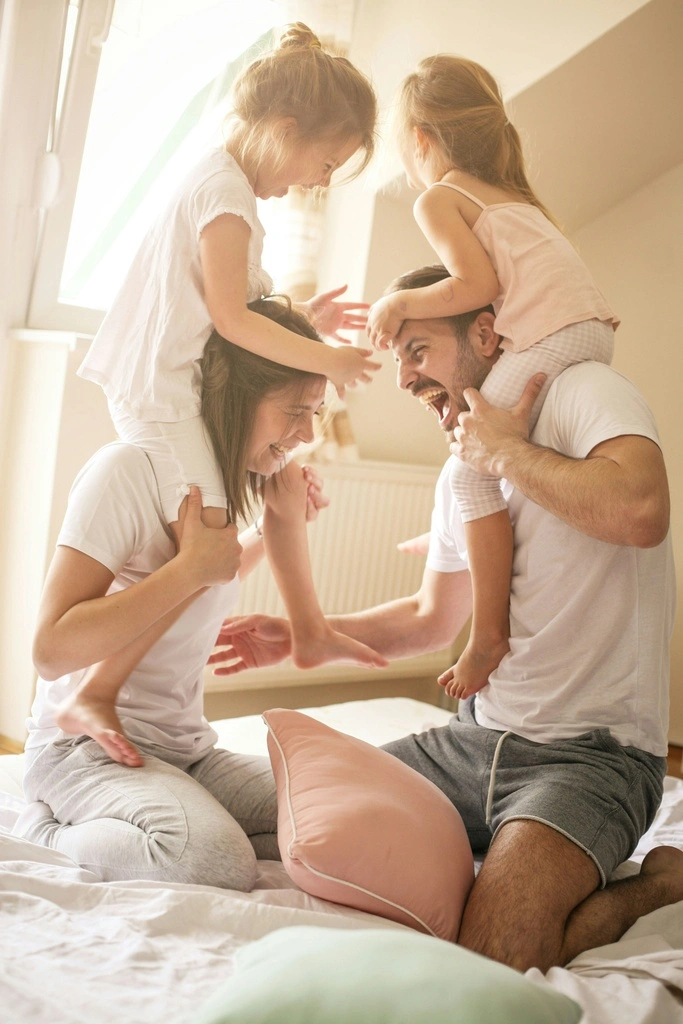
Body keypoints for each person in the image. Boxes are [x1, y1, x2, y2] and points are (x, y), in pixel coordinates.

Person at [216, 266, 682, 971]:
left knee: (498, 952)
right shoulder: (460, 472)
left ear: (485, 334)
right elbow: (432, 620)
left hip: (589, 758)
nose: (403, 378)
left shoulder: (585, 392)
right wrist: (299, 637)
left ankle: (657, 886)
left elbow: (642, 512)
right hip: (468, 748)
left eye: (417, 350)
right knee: (266, 824)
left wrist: (505, 453)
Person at [60, 23, 383, 758]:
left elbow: (235, 300)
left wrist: (308, 319)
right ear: (284, 129)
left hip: (178, 384)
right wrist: (326, 357)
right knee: (202, 548)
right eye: (324, 161)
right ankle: (95, 692)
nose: (321, 180)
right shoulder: (226, 194)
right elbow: (233, 320)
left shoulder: (224, 186)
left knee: (286, 477)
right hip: (162, 393)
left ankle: (307, 627)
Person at [14, 297, 384, 886]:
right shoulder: (126, 472)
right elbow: (52, 649)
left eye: (314, 412)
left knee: (349, 815)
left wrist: (273, 526)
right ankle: (46, 831)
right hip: (82, 749)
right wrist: (186, 570)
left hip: (185, 752)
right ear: (235, 397)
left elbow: (213, 571)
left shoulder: (222, 487)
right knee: (211, 860)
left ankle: (181, 814)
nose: (307, 434)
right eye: (295, 410)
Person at [366, 55, 618, 703]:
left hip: (557, 336)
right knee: (497, 455)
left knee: (467, 466)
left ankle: (486, 636)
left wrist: (399, 306)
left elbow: (472, 286)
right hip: (586, 329)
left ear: (418, 139)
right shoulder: (512, 196)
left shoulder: (439, 197)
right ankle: (461, 536)